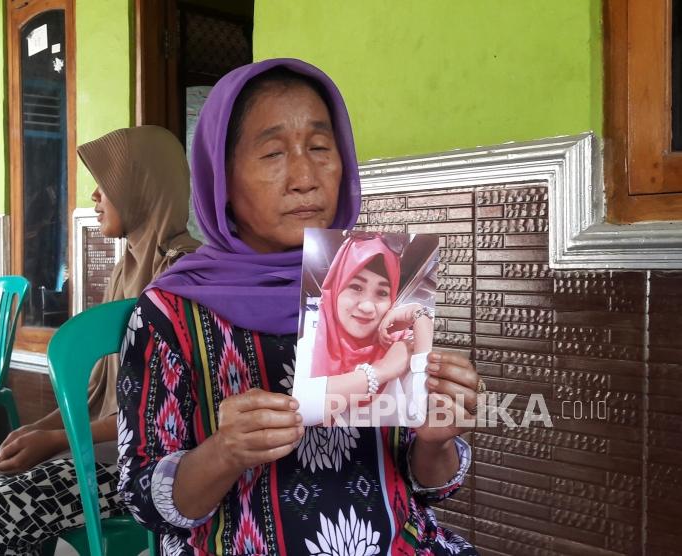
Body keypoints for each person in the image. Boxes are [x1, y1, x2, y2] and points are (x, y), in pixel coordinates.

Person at [116, 59, 482, 555]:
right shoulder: (171, 313)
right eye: (272, 153)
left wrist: (436, 440)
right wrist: (224, 452)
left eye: (320, 147)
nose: (305, 177)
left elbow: (426, 487)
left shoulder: (381, 284)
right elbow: (146, 500)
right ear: (221, 179)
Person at [0, 126, 201, 556]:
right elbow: (96, 389)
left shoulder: (184, 275)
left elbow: (168, 411)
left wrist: (57, 441)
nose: (94, 196)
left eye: (105, 183)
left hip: (148, 465)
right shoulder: (127, 269)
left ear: (142, 187)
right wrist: (37, 429)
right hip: (98, 447)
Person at [303, 233, 435, 426]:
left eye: (382, 292)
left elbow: (426, 416)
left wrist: (419, 314)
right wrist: (380, 371)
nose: (367, 307)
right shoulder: (307, 347)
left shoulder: (401, 346)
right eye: (356, 287)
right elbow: (292, 411)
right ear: (335, 289)